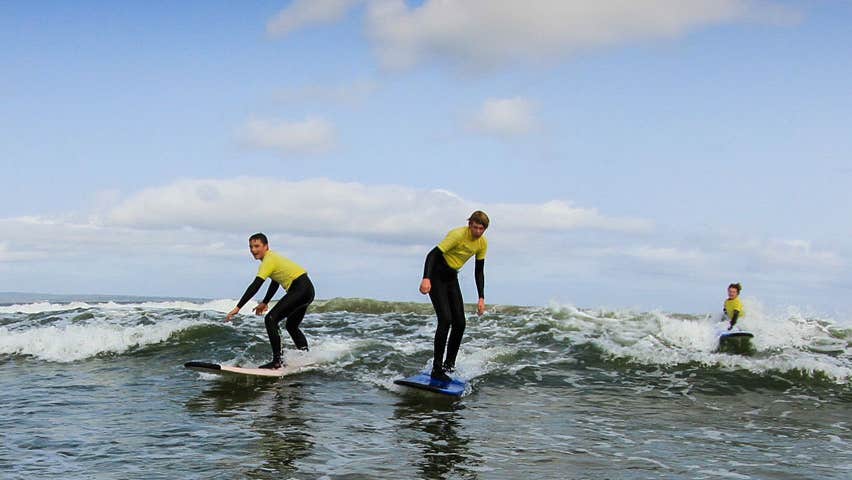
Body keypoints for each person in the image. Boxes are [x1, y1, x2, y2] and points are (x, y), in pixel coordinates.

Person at [226, 233, 315, 369]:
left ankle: (277, 361)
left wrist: (238, 307)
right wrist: (265, 302)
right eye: (251, 247)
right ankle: (306, 357)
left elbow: (255, 285)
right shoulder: (273, 258)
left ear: (266, 246)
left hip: (300, 289)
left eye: (257, 246)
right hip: (307, 290)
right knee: (291, 326)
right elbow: (275, 282)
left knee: (271, 319)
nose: (253, 250)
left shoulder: (268, 260)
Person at [419, 211, 489, 382]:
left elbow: (479, 271)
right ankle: (436, 369)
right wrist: (426, 278)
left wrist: (481, 297)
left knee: (460, 322)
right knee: (445, 320)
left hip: (451, 278)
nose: (477, 231)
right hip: (436, 275)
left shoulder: (482, 243)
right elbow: (432, 254)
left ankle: (448, 366)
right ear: (469, 224)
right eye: (475, 227)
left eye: (481, 229)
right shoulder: (457, 235)